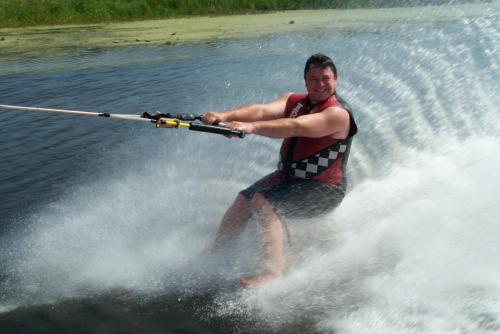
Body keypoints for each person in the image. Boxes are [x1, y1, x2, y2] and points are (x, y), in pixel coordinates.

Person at [201, 53, 357, 286]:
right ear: (305, 80)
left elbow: (295, 126)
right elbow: (261, 111)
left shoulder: (337, 114)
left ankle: (272, 273)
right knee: (244, 200)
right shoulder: (294, 101)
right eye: (314, 79)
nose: (320, 84)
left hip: (324, 189)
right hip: (289, 178)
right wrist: (225, 116)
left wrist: (250, 128)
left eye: (326, 79)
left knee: (263, 201)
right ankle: (216, 255)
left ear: (336, 79)